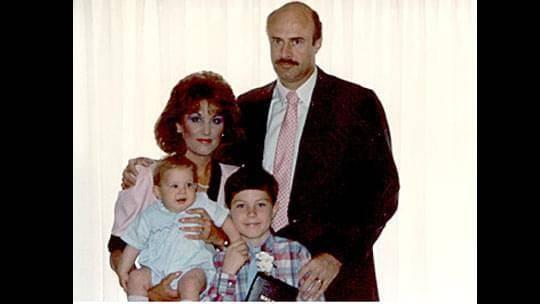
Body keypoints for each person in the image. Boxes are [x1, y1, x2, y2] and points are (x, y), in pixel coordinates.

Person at [123, 1, 400, 300]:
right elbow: (209, 157)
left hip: (330, 275)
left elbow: (381, 193)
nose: (285, 53)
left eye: (297, 41)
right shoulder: (248, 106)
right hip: (250, 277)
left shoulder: (355, 103)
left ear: (317, 42)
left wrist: (336, 255)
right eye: (277, 41)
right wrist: (158, 166)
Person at [108, 71, 243, 301]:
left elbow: (250, 244)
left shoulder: (236, 180)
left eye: (216, 120)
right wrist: (151, 292)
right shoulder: (146, 176)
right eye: (196, 119)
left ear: (225, 127)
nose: (207, 130)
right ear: (179, 124)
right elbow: (118, 248)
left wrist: (216, 236)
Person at [116, 156, 240, 301]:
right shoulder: (150, 215)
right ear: (158, 192)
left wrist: (237, 241)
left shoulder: (202, 203)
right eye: (175, 186)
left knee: (190, 285)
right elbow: (134, 243)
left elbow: (225, 219)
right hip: (156, 270)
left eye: (189, 185)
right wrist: (124, 270)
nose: (183, 191)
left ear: (196, 187)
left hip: (194, 268)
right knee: (136, 278)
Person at [204, 165, 323, 301]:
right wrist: (227, 273)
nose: (251, 213)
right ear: (228, 211)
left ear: (274, 209)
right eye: (241, 205)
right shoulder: (217, 259)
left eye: (260, 205)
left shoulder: (295, 253)